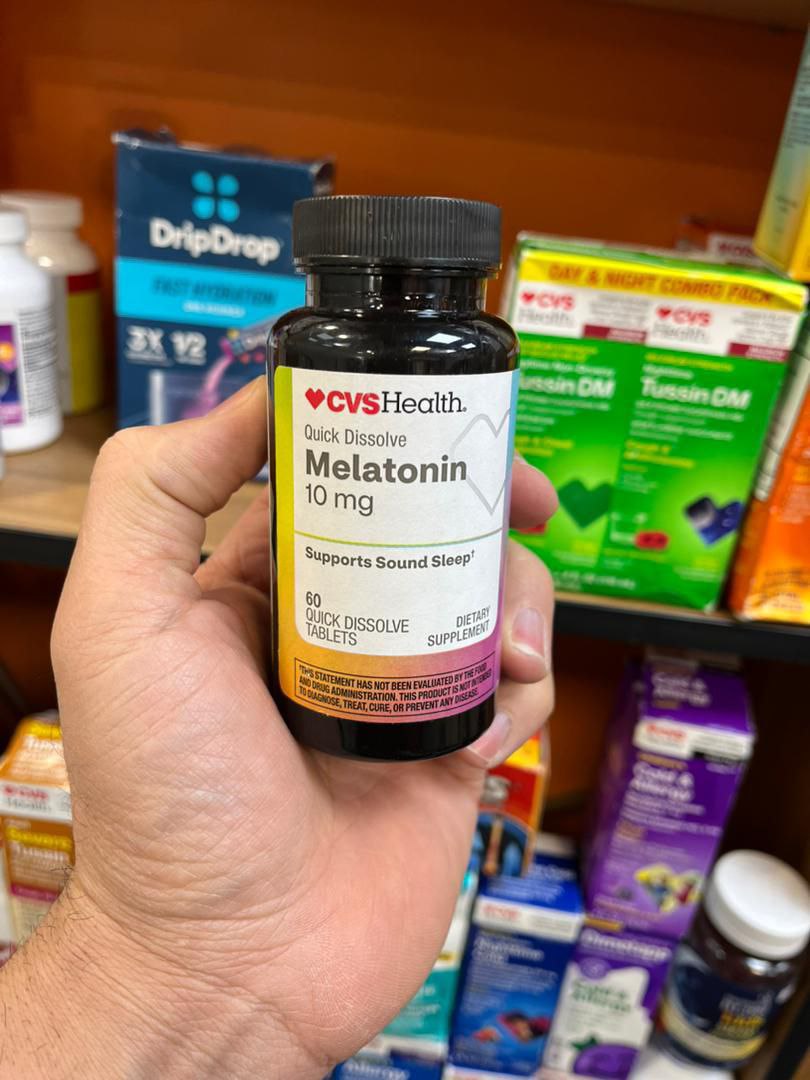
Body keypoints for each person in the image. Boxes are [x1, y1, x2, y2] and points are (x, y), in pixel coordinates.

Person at [1, 377, 556, 1078]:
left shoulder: (421, 364)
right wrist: (154, 957)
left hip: (414, 737)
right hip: (302, 700)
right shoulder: (307, 366)